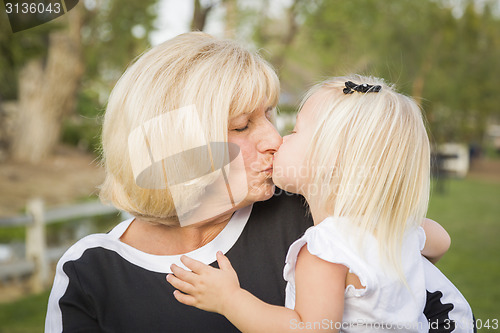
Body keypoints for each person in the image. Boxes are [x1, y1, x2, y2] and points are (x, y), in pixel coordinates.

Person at [45, 33, 468, 332]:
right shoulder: (90, 272)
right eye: (242, 125)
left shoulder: (314, 217)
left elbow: (440, 314)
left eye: (270, 115)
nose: (273, 139)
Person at [166, 76, 475, 332]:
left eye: (296, 131)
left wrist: (229, 300)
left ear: (329, 161)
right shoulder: (396, 231)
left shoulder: (326, 249)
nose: (279, 139)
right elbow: (441, 242)